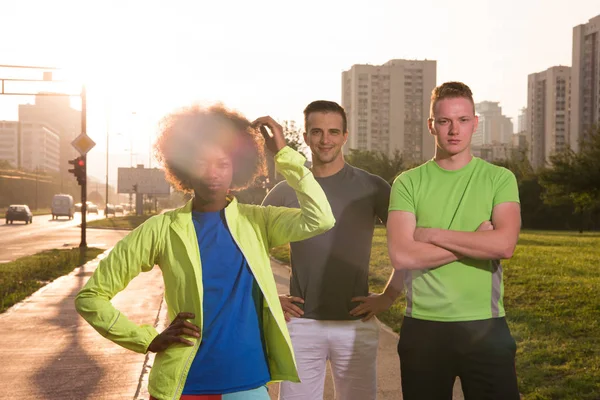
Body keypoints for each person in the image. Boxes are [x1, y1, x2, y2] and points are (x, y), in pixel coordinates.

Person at [75, 104, 335, 400]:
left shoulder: (258, 220)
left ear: (236, 168)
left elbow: (321, 218)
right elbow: (90, 297)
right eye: (201, 162)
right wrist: (146, 339)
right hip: (184, 386)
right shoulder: (161, 229)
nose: (212, 173)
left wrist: (284, 155)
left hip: (248, 383)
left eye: (222, 164)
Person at [387, 81, 522, 400]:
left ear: (475, 123)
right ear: (431, 125)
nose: (454, 130)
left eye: (463, 120)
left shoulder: (500, 179)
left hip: (486, 327)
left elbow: (504, 246)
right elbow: (402, 256)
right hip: (423, 329)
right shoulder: (408, 183)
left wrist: (432, 235)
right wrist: (476, 242)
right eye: (445, 121)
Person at [262, 100, 403, 400]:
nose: (325, 140)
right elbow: (248, 245)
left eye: (333, 132)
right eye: (317, 131)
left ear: (345, 135)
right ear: (306, 135)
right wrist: (270, 297)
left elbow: (408, 242)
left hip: (356, 324)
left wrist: (389, 296)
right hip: (301, 324)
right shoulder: (288, 188)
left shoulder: (372, 186)